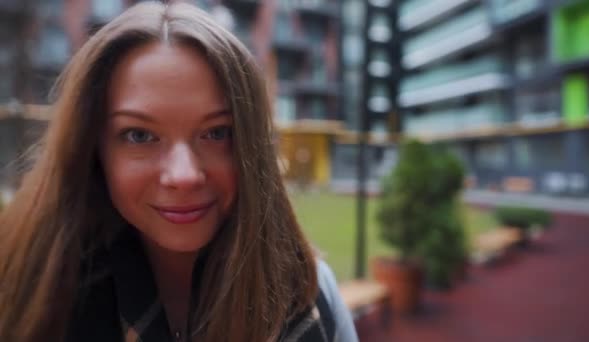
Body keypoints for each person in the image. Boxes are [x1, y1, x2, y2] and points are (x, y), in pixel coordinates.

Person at [0, 2, 357, 342]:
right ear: (93, 149)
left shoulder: (311, 290)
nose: (184, 175)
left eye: (217, 133)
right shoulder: (24, 292)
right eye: (140, 135)